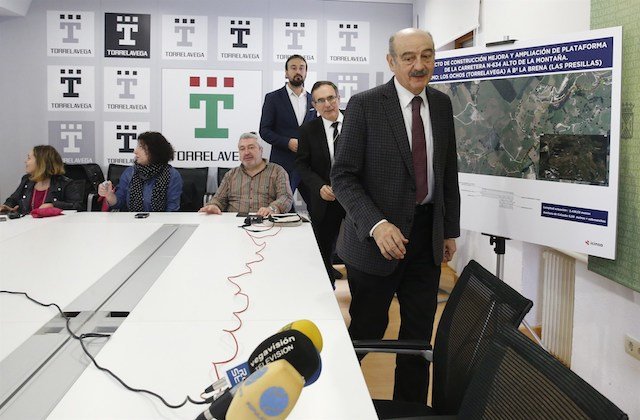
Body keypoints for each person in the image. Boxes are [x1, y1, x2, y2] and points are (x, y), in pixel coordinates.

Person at [331, 28, 461, 403]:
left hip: (426, 237)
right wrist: (376, 224)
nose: (419, 65)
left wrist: (448, 229)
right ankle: (335, 399)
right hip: (375, 242)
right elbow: (343, 177)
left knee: (418, 338)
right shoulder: (365, 105)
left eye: (427, 55)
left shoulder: (441, 105)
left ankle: (409, 408)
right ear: (391, 62)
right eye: (408, 57)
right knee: (368, 328)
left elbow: (447, 171)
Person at [296, 81, 346, 287]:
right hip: (325, 200)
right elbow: (302, 165)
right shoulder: (307, 130)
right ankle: (327, 291)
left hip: (356, 199)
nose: (327, 104)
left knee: (360, 250)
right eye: (321, 100)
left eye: (331, 98)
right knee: (323, 250)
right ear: (314, 105)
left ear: (338, 98)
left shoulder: (357, 121)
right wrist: (319, 186)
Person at [259, 54, 317, 209]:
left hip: (309, 165)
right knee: (281, 210)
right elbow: (264, 131)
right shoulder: (273, 98)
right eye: (293, 68)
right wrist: (287, 143)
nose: (298, 71)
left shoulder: (313, 100)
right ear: (286, 73)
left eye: (301, 68)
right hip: (283, 165)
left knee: (318, 209)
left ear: (306, 72)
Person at [199, 132, 293, 217]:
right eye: (242, 149)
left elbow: (285, 197)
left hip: (265, 221)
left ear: (261, 150)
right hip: (233, 223)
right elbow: (218, 199)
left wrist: (272, 208)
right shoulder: (231, 175)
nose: (247, 152)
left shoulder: (277, 171)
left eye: (251, 147)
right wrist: (214, 205)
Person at [98, 131, 183, 212]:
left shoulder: (172, 175)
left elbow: (172, 209)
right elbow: (119, 204)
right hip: (131, 220)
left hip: (160, 221)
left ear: (154, 151)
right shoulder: (129, 173)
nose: (135, 151)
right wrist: (109, 195)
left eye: (141, 147)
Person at [2, 145, 83, 215]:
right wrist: (6, 207)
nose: (25, 161)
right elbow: (12, 200)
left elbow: (78, 206)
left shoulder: (65, 183)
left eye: (29, 158)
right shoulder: (26, 180)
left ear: (40, 162)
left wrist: (54, 205)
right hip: (27, 225)